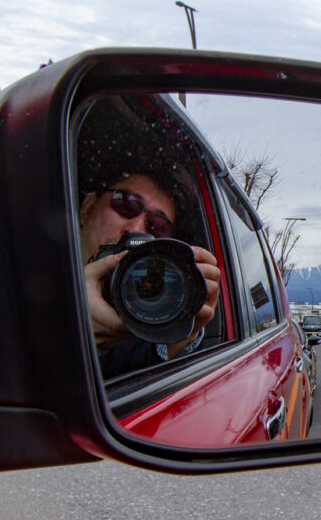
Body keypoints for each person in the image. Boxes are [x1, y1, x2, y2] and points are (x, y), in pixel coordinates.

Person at [77, 95, 220, 378]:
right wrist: (64, 326)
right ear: (87, 208)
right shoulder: (18, 287)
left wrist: (181, 335)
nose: (137, 228)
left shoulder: (154, 317)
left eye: (158, 226)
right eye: (125, 204)